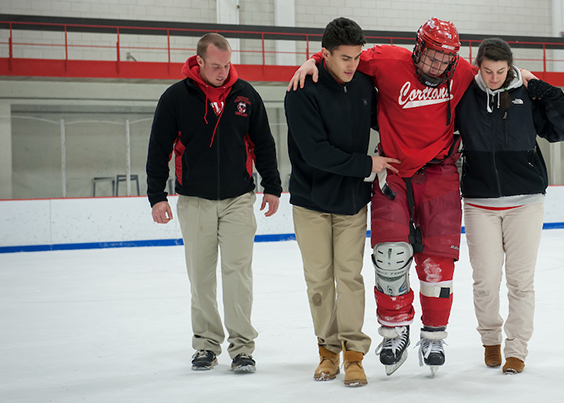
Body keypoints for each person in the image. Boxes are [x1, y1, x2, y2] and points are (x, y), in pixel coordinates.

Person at [289, 17, 480, 375]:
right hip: (391, 172)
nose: (436, 65)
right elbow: (344, 56)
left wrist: (524, 77)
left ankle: (434, 335)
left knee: (437, 262)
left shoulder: (464, 72)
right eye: (431, 56)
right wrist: (313, 60)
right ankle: (394, 331)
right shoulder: (387, 59)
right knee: (389, 258)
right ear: (418, 48)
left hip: (440, 172)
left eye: (444, 59)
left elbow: (496, 73)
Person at [146, 32, 282, 373]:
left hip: (238, 198)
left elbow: (263, 143)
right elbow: (158, 148)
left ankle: (242, 348)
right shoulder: (175, 98)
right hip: (194, 201)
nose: (223, 71)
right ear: (200, 62)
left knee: (238, 274)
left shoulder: (246, 96)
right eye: (216, 66)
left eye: (227, 65)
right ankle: (206, 344)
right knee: (201, 277)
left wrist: (273, 187)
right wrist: (156, 196)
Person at [284, 17, 399, 387]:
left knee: (349, 277)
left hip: (351, 201)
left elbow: (391, 113)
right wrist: (368, 164)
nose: (352, 64)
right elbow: (315, 153)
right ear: (325, 54)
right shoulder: (303, 89)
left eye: (356, 57)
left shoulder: (365, 84)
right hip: (311, 201)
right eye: (344, 58)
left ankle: (353, 354)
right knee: (319, 280)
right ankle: (327, 352)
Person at [455, 38, 564, 374]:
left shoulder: (527, 94)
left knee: (521, 282)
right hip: (480, 203)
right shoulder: (464, 94)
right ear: (478, 66)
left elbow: (563, 130)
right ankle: (490, 341)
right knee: (485, 280)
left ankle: (517, 349)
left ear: (510, 67)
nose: (494, 77)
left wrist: (541, 87)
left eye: (501, 71)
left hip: (526, 202)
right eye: (488, 70)